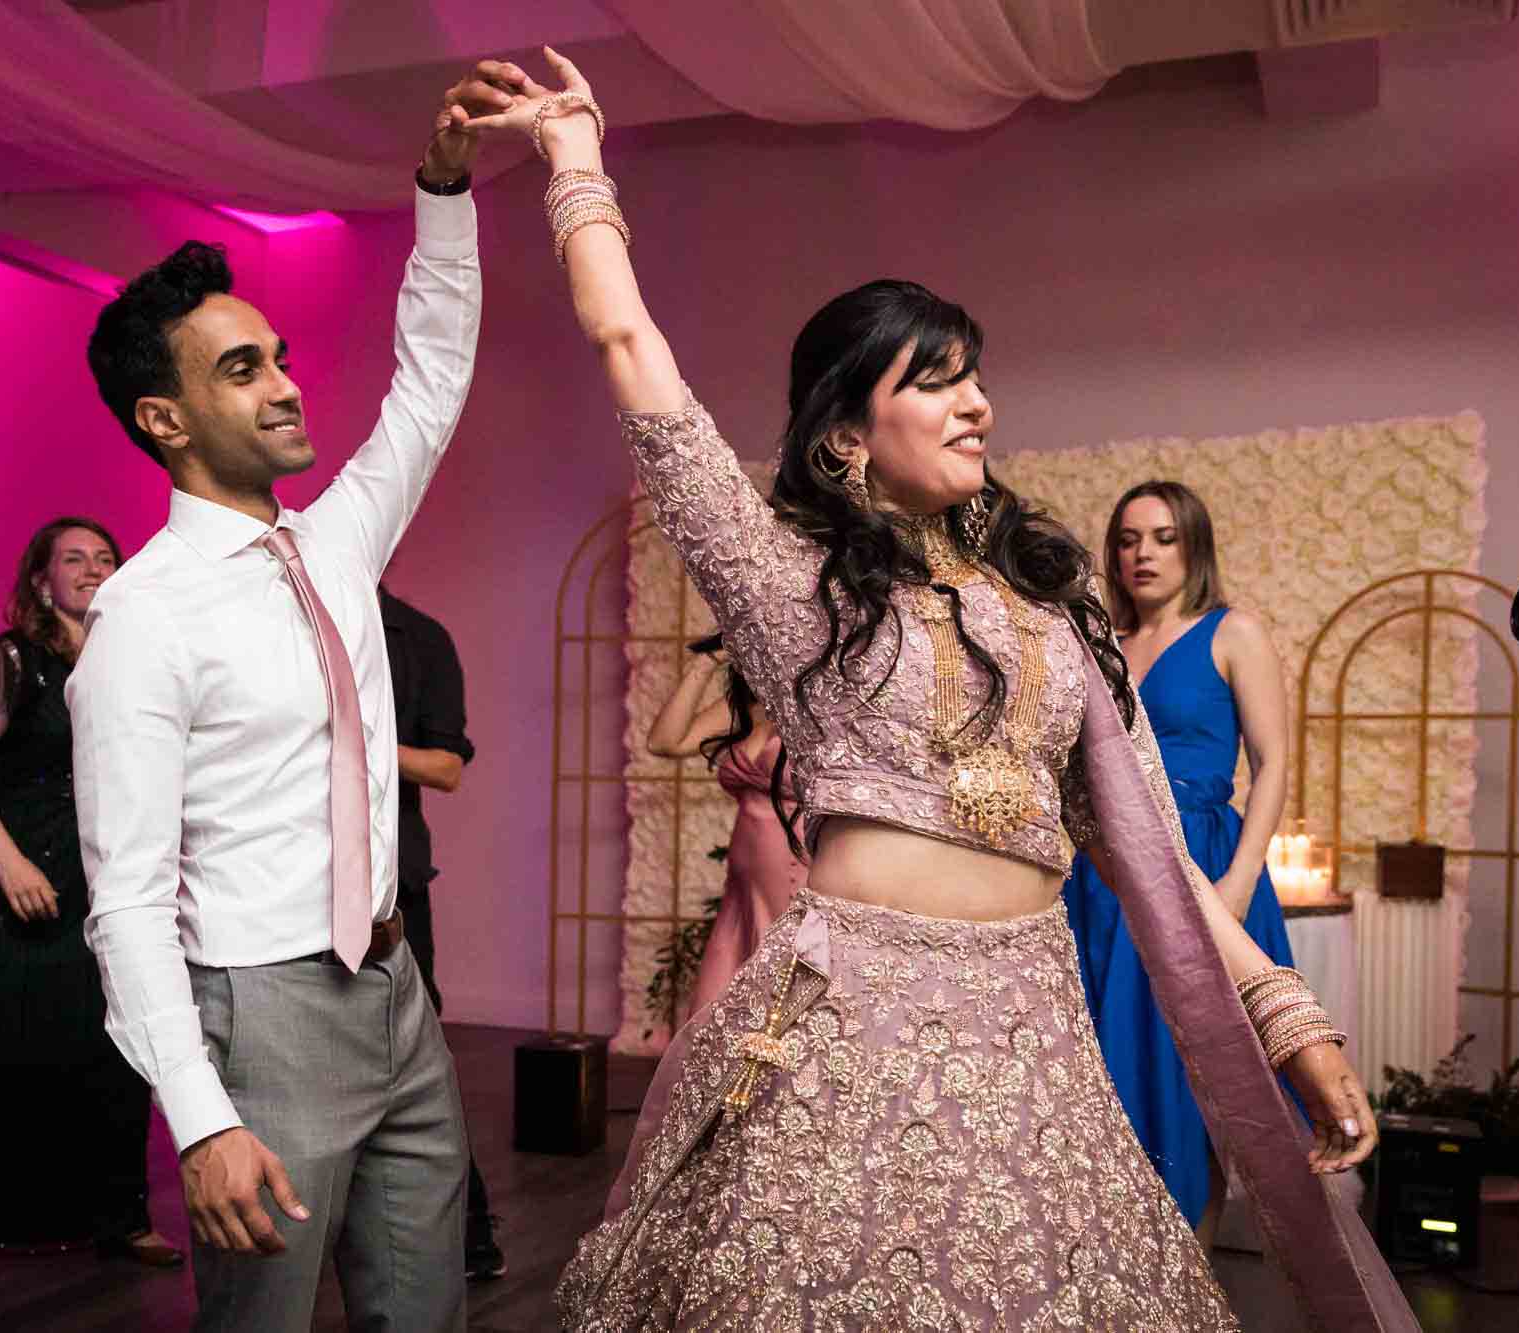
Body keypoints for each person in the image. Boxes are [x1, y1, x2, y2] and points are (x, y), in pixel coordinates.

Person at [456, 49, 1412, 1330]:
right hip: (848, 1026)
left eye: (974, 376)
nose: (977, 403)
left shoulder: (1054, 612)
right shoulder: (786, 581)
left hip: (1031, 1035)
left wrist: (1289, 1023)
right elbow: (632, 354)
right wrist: (573, 159)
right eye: (936, 379)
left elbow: (1147, 855)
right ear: (846, 433)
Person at [70, 64, 512, 1331]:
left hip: (395, 991)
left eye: (278, 358)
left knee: (421, 1315)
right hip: (258, 1014)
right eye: (241, 369)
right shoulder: (141, 620)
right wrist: (202, 1119)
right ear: (164, 418)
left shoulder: (333, 542)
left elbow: (430, 382)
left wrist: (439, 191)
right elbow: (129, 900)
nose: (284, 385)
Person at [0, 517, 181, 1291]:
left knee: (110, 1056)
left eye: (106, 556)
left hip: (95, 893)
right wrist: (5, 860)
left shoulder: (127, 665)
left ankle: (122, 1216)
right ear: (41, 580)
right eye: (74, 558)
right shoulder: (10, 659)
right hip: (10, 886)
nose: (94, 567)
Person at [1061, 481, 1298, 1243]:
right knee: (1114, 1067)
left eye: (1162, 537)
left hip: (1204, 864)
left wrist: (1239, 880)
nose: (1142, 554)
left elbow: (1274, 761)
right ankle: (1134, 1274)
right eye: (1127, 540)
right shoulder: (1101, 643)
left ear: (1193, 544)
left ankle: (1191, 1279)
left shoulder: (1235, 633)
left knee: (1200, 1076)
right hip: (1104, 875)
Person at [379, 583, 505, 1280]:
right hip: (288, 884)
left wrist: (358, 745)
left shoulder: (420, 636)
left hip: (395, 885)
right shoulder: (278, 623)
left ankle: (470, 1235)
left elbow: (446, 767)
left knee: (421, 1061)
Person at [645, 634, 807, 1018]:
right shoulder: (745, 707)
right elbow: (664, 741)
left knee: (780, 1011)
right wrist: (705, 663)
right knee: (712, 1011)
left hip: (798, 876)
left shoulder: (814, 707)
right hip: (742, 888)